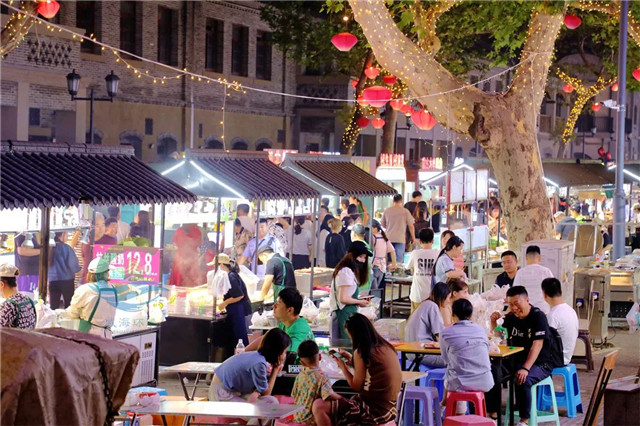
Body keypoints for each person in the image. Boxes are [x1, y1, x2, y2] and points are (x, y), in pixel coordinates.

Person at [486, 286, 563, 424]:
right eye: (510, 304)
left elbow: (537, 344)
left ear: (527, 300)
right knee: (491, 372)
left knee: (522, 379)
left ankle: (524, 420)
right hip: (515, 359)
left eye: (517, 303)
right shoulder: (511, 317)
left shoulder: (538, 316)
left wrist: (526, 368)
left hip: (540, 363)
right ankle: (493, 415)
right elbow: (499, 338)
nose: (514, 308)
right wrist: (493, 323)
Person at [312, 313, 402, 426]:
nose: (351, 341)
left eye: (351, 337)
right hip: (389, 408)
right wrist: (352, 361)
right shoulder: (386, 347)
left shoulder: (362, 352)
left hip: (372, 411)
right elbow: (370, 372)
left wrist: (343, 368)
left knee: (318, 406)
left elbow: (356, 386)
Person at [209, 328, 291, 405]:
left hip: (231, 390)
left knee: (271, 401)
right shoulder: (259, 363)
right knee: (268, 406)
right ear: (277, 351)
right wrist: (276, 369)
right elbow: (266, 393)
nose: (285, 355)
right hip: (222, 393)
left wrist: (256, 392)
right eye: (284, 352)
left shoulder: (257, 356)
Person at [441, 299, 494, 413]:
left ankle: (457, 414)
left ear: (453, 314)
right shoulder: (481, 330)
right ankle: (476, 416)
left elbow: (445, 359)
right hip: (485, 381)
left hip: (459, 383)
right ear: (470, 315)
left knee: (453, 372)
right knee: (457, 371)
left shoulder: (446, 333)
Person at [66, 256, 118, 338]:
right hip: (107, 336)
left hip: (90, 335)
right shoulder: (113, 289)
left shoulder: (85, 289)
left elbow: (73, 313)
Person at [293, 340, 342, 426]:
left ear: (302, 363)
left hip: (297, 417)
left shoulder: (299, 376)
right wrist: (343, 399)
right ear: (319, 357)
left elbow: (294, 395)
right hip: (311, 420)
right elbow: (328, 395)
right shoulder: (322, 376)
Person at [329, 241, 371, 340]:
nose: (363, 260)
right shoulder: (346, 271)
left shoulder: (349, 271)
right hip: (343, 314)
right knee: (346, 344)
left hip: (348, 314)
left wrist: (358, 301)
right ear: (352, 255)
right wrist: (359, 302)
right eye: (360, 257)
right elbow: (343, 298)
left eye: (364, 257)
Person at [404, 282, 451, 367]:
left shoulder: (425, 304)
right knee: (456, 360)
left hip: (412, 351)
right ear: (442, 297)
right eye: (448, 297)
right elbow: (440, 334)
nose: (449, 301)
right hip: (421, 353)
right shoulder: (432, 306)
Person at [214, 254, 251, 348]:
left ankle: (244, 354)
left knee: (240, 336)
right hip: (234, 309)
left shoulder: (231, 277)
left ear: (222, 265)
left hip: (237, 309)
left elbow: (239, 296)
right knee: (237, 337)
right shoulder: (229, 275)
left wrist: (224, 303)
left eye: (216, 266)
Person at [541, 278, 579, 365]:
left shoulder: (553, 316)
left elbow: (545, 342)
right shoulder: (571, 311)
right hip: (567, 356)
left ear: (544, 294)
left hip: (556, 359)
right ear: (561, 292)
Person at [513, 245, 554, 314]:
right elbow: (553, 291)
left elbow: (515, 292)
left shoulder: (520, 272)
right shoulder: (546, 271)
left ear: (526, 257)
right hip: (543, 310)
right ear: (540, 258)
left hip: (526, 310)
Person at [407, 228, 439, 313]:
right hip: (433, 295)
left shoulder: (415, 253)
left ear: (420, 241)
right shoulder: (437, 254)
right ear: (433, 241)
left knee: (415, 318)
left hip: (417, 294)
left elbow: (408, 267)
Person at [48, 231, 81, 309]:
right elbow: (72, 264)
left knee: (54, 306)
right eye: (67, 234)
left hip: (52, 281)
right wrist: (78, 270)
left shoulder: (49, 248)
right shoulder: (66, 248)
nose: (68, 236)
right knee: (69, 306)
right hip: (67, 281)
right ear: (62, 234)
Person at [381, 194, 415, 263]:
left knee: (389, 261)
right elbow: (411, 226)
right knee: (399, 262)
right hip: (400, 239)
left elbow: (383, 225)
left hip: (389, 238)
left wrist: (390, 226)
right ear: (401, 201)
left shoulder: (387, 210)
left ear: (393, 201)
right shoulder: (405, 211)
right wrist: (413, 238)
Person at [0, 264, 36, 329]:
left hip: (17, 336)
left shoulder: (8, 306)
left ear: (1, 284)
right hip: (29, 335)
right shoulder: (28, 300)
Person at [371, 220, 396, 291]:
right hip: (382, 267)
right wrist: (394, 264)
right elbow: (392, 251)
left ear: (375, 228)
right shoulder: (384, 237)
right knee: (376, 288)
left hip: (374, 265)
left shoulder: (373, 237)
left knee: (373, 289)